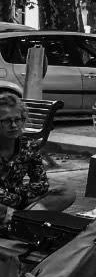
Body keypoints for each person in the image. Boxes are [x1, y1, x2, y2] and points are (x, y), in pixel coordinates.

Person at [0, 94, 76, 228]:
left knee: (66, 191)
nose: (13, 125)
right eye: (6, 121)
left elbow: (40, 182)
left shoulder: (28, 145)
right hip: (8, 203)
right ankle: (23, 219)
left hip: (16, 199)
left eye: (17, 120)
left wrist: (23, 198)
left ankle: (19, 219)